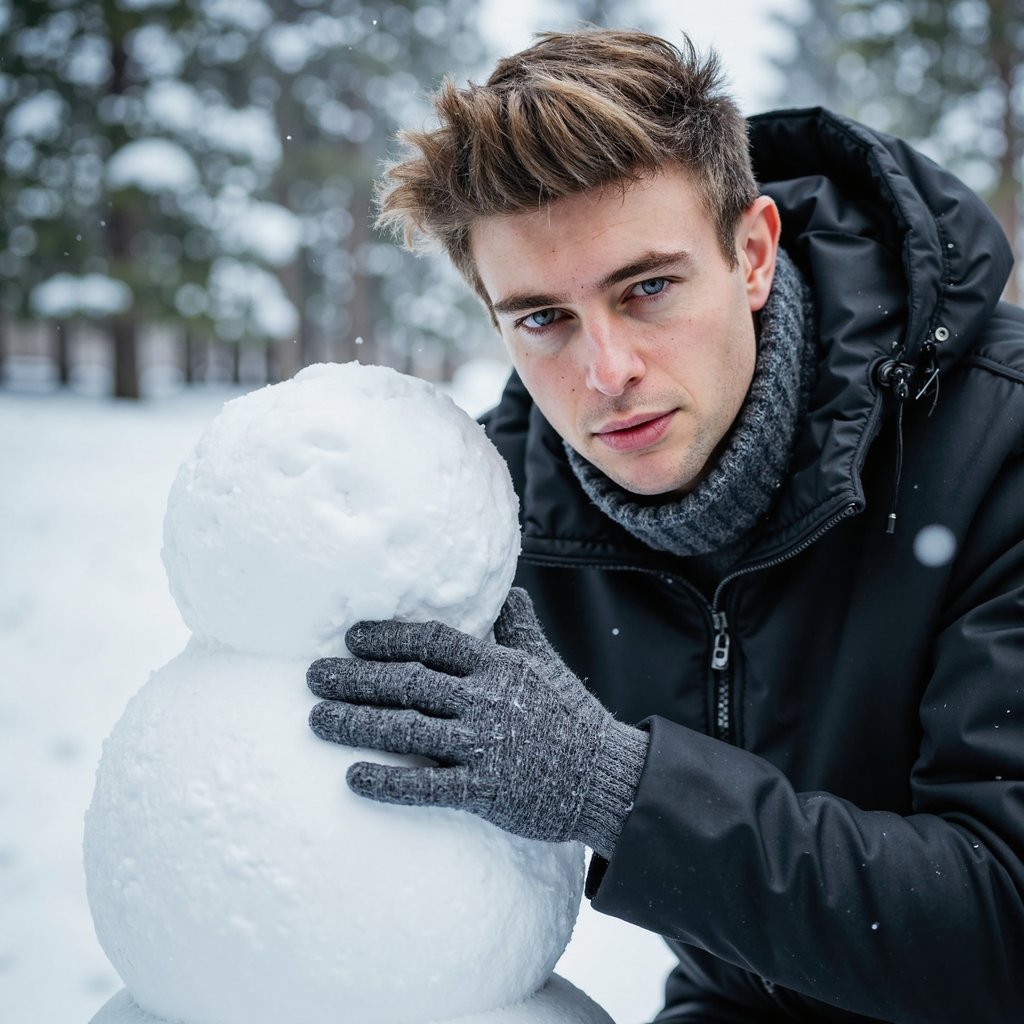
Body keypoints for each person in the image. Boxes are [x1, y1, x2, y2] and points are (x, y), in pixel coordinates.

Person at [305, 29, 1024, 1023]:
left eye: (646, 288)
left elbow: (1003, 921)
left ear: (754, 252)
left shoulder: (1000, 444)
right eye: (542, 319)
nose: (606, 371)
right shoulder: (490, 513)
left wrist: (614, 788)